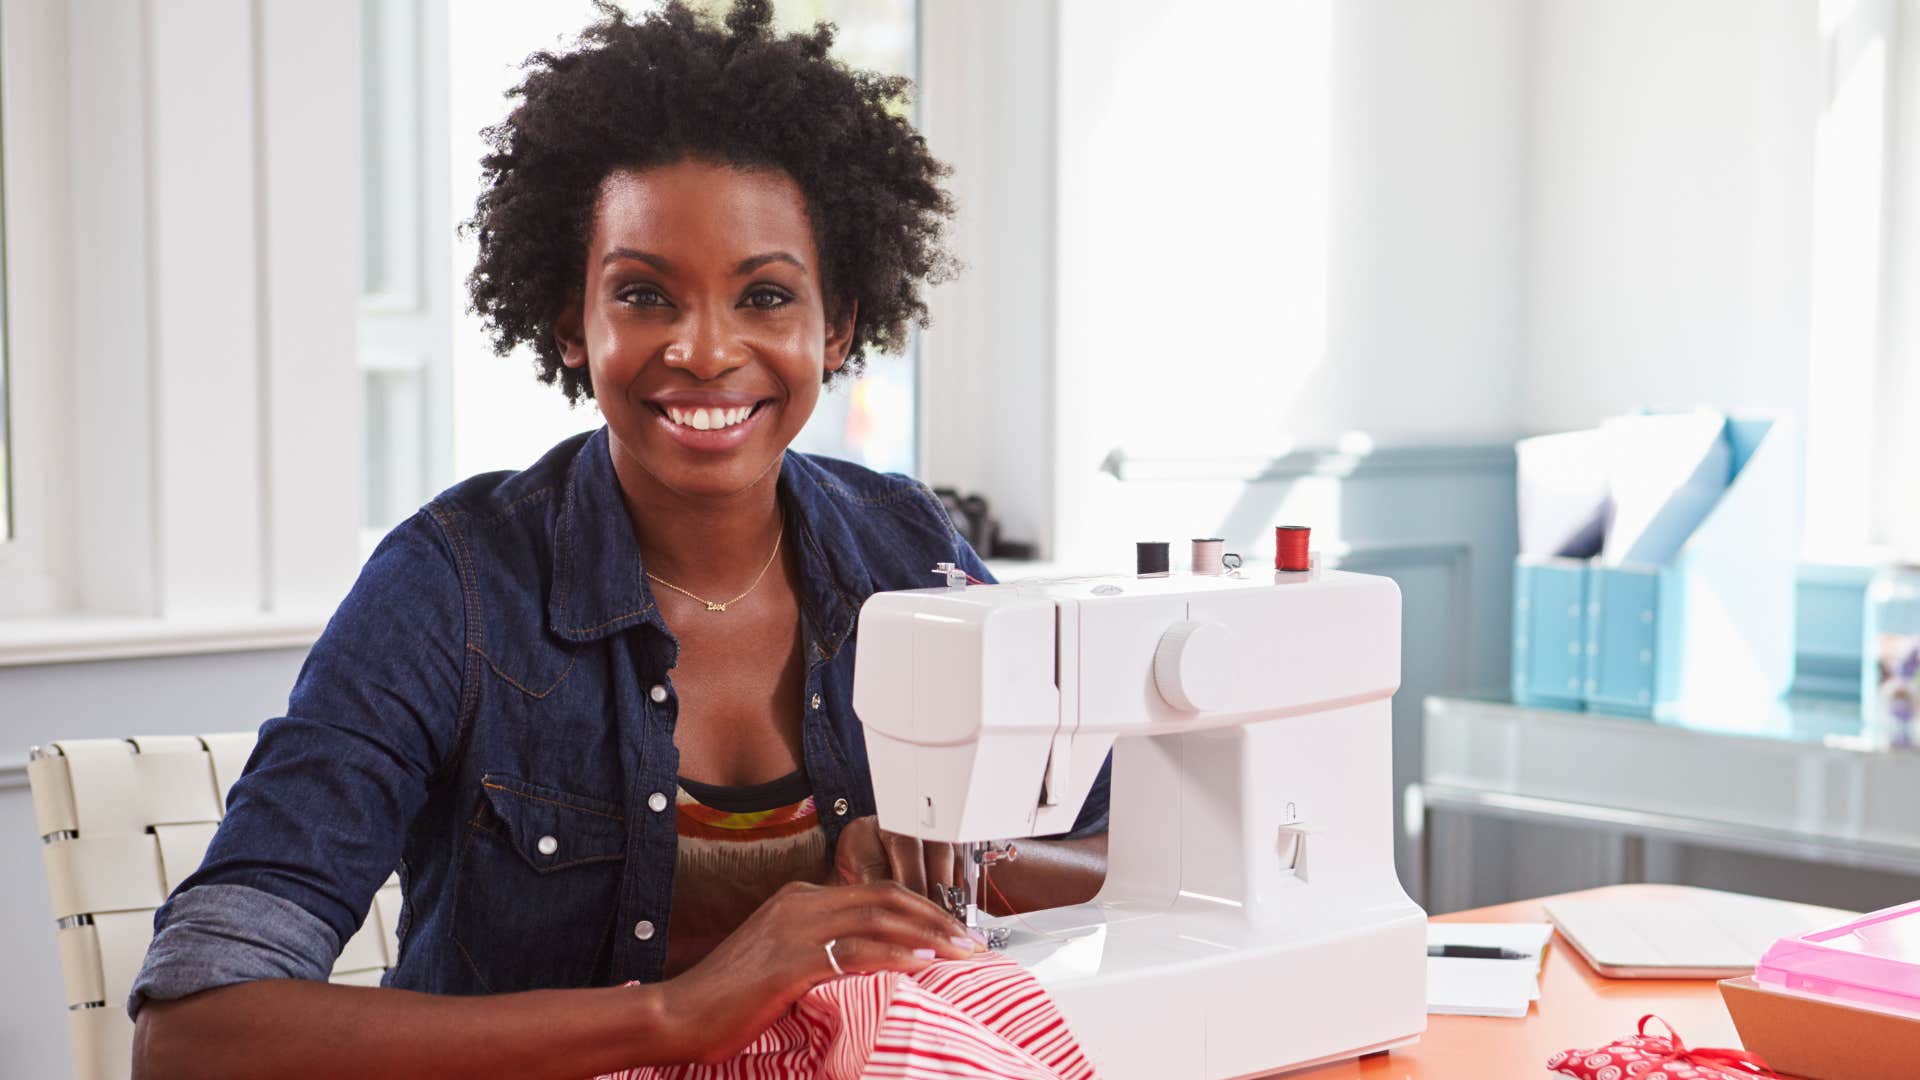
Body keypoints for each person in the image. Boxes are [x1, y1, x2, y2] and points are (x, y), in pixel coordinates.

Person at [128, 2, 1110, 1076]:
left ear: (834, 328)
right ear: (569, 322)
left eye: (765, 296)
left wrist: (972, 861)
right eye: (644, 295)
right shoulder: (449, 588)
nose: (704, 349)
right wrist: (681, 1013)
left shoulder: (904, 550)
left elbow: (1119, 854)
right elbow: (194, 1037)